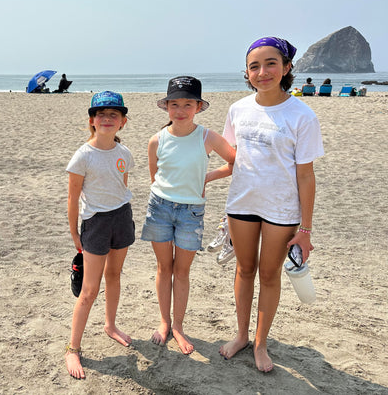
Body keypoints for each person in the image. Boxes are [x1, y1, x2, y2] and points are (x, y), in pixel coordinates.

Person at [219, 37, 324, 372]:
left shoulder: (302, 115)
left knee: (269, 274)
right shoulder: (238, 109)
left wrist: (305, 230)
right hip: (242, 203)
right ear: (247, 72)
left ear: (286, 68)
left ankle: (261, 344)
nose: (262, 72)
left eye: (270, 64)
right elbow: (233, 158)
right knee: (244, 270)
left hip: (281, 209)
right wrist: (201, 178)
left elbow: (306, 176)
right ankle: (241, 336)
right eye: (254, 66)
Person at [140, 76, 235, 354]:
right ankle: (164, 321)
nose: (180, 110)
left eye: (187, 104)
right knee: (163, 268)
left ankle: (178, 326)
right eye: (175, 104)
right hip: (159, 207)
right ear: (166, 107)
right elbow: (155, 177)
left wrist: (206, 178)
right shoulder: (156, 140)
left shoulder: (208, 137)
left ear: (198, 107)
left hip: (191, 212)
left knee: (181, 272)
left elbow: (234, 163)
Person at [65, 91, 135, 379]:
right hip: (95, 222)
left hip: (122, 216)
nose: (107, 119)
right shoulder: (83, 155)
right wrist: (75, 234)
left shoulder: (124, 153)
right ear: (92, 120)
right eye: (101, 115)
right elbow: (72, 198)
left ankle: (110, 325)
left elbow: (122, 186)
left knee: (115, 276)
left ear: (123, 121)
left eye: (113, 115)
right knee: (89, 290)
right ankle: (73, 348)